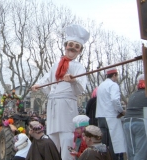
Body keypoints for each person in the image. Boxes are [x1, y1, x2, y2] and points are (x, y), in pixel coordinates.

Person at [31, 24, 89, 160]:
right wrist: (38, 85)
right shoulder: (55, 65)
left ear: (80, 51)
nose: (73, 48)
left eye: (77, 46)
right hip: (53, 108)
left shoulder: (79, 67)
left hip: (67, 107)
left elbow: (80, 89)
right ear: (65, 45)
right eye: (71, 44)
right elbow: (46, 79)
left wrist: (73, 81)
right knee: (51, 142)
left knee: (67, 139)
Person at [95, 67, 126, 160]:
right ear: (114, 75)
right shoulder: (113, 85)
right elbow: (115, 99)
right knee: (114, 143)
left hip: (101, 116)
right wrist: (121, 110)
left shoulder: (101, 86)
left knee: (104, 144)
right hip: (111, 116)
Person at [123, 74, 147, 160]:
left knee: (132, 152)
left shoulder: (133, 95)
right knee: (141, 152)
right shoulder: (145, 94)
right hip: (141, 123)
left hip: (127, 123)